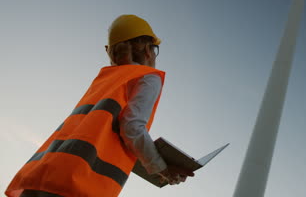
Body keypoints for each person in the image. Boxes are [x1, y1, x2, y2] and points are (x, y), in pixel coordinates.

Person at [5, 15, 193, 197]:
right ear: (146, 49)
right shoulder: (148, 77)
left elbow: (106, 134)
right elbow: (132, 128)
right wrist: (163, 168)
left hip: (43, 175)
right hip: (79, 184)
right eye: (155, 49)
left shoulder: (106, 80)